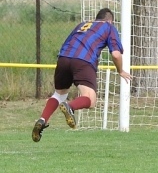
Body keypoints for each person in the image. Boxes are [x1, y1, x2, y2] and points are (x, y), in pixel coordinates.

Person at [32, 8, 133, 142]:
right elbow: (116, 54)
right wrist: (120, 71)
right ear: (109, 20)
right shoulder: (108, 26)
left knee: (59, 94)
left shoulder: (82, 24)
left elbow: (68, 42)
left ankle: (42, 120)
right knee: (90, 100)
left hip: (63, 58)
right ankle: (70, 107)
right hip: (83, 60)